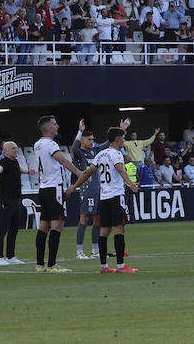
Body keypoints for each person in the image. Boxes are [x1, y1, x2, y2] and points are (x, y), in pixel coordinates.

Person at [66, 127, 140, 272]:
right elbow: (120, 169)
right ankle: (120, 265)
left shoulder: (100, 155)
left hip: (104, 197)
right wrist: (130, 184)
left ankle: (104, 266)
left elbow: (87, 172)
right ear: (118, 139)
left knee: (104, 230)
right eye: (123, 138)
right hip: (116, 196)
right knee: (119, 228)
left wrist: (74, 186)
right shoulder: (116, 154)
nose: (124, 141)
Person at [33, 115, 85, 273]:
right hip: (54, 187)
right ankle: (52, 264)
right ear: (47, 128)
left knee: (44, 226)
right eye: (54, 124)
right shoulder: (50, 144)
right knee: (57, 225)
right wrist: (79, 173)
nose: (57, 126)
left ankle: (40, 264)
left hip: (43, 188)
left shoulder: (37, 144)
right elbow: (62, 159)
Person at [71, 120, 114, 260]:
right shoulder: (79, 153)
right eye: (89, 139)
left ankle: (95, 251)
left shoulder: (95, 151)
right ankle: (79, 252)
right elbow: (74, 147)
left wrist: (121, 129)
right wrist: (79, 131)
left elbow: (107, 143)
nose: (92, 142)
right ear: (82, 140)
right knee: (84, 218)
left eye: (93, 139)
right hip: (87, 189)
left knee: (98, 220)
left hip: (99, 189)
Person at [0, 141, 34, 266]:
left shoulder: (15, 162)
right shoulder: (2, 163)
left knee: (14, 229)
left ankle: (11, 256)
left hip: (16, 200)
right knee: (2, 229)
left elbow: (19, 169)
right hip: (5, 200)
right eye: (13, 148)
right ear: (5, 150)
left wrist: (28, 171)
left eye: (16, 147)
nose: (15, 149)